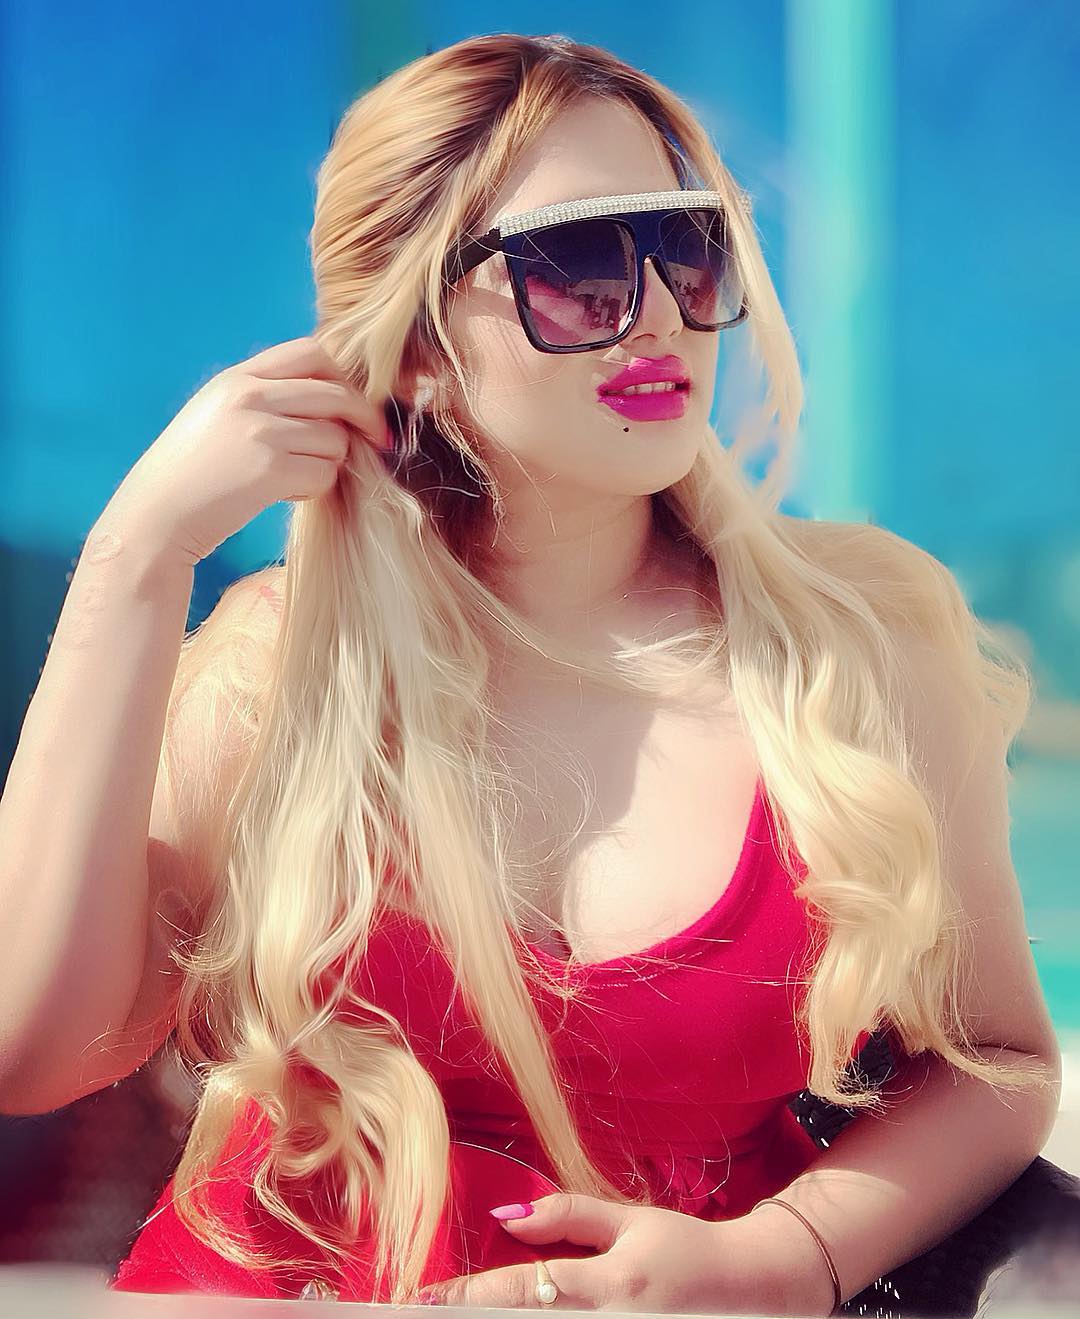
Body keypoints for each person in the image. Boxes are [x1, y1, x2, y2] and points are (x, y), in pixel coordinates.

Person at [0, 31, 1062, 1317]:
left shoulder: (852, 648)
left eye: (688, 249)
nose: (659, 312)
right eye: (579, 265)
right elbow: (32, 1052)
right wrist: (135, 556)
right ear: (416, 338)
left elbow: (995, 1056)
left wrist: (786, 1253)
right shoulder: (277, 676)